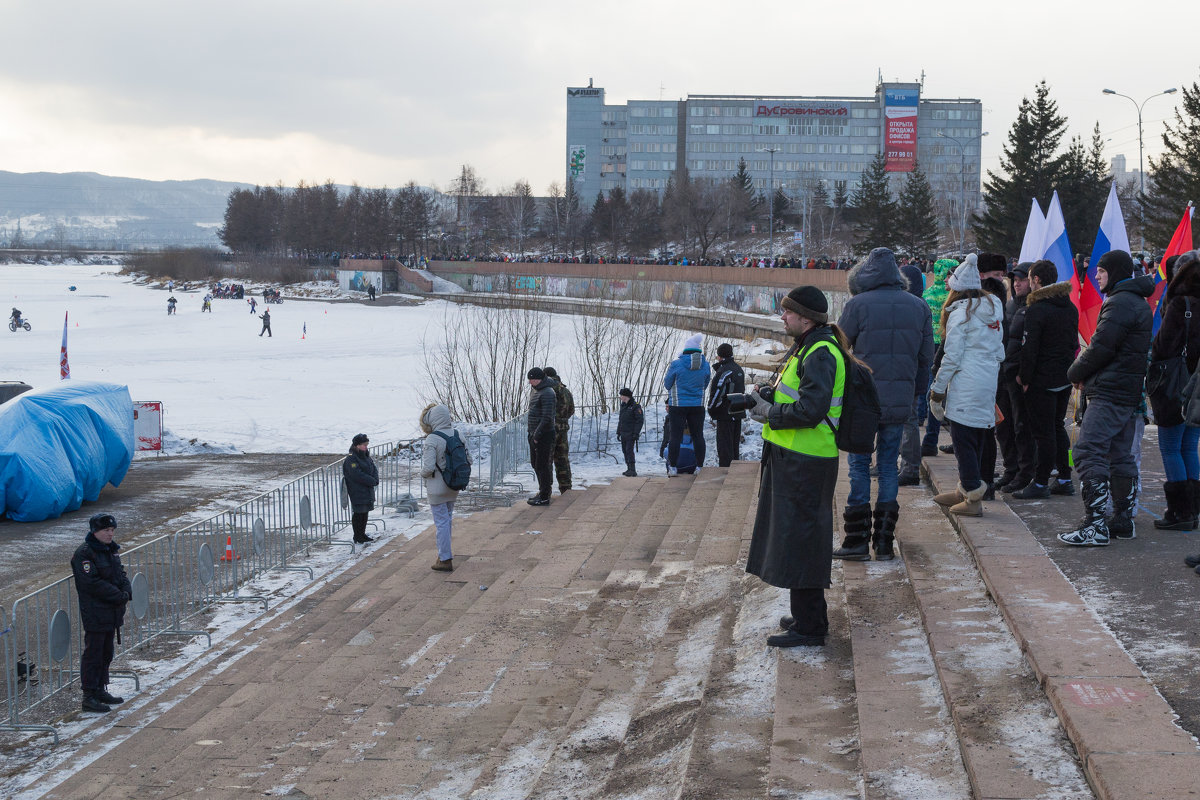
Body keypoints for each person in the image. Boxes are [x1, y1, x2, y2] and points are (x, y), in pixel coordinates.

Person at [745, 286, 847, 648]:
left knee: (802, 540)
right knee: (794, 538)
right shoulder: (808, 346)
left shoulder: (820, 351)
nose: (782, 317)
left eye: (788, 312)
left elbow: (811, 411)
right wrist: (763, 396)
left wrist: (767, 413)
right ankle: (807, 615)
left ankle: (811, 627)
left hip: (807, 460)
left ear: (806, 317)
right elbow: (798, 397)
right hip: (795, 458)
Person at [835, 247, 933, 561]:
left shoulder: (856, 305)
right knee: (889, 468)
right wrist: (916, 393)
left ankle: (856, 542)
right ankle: (884, 544)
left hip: (862, 401)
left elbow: (840, 350)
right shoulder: (919, 306)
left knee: (859, 467)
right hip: (900, 399)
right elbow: (925, 357)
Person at [1058, 250, 1154, 546]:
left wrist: (1074, 371)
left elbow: (1101, 347)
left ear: (1114, 272)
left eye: (1100, 271)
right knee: (1119, 456)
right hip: (1126, 393)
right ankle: (1122, 520)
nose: (1095, 275)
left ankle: (1095, 525)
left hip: (1111, 392)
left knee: (1088, 452)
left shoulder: (1121, 302)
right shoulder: (1135, 300)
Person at [929, 255, 1005, 517]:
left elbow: (951, 356)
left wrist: (938, 388)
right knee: (979, 433)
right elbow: (999, 350)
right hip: (987, 378)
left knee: (963, 438)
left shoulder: (961, 313)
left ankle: (973, 495)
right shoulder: (992, 309)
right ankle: (965, 489)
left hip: (967, 380)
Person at [1012, 260, 1079, 498]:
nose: (1028, 283)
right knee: (1057, 426)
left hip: (1041, 380)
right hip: (1063, 376)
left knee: (1043, 433)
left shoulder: (1037, 308)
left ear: (1036, 280)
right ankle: (1063, 477)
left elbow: (1030, 348)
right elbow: (1073, 344)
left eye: (1029, 278)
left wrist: (1024, 377)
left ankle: (1040, 483)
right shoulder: (1069, 306)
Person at [1149, 250, 1200, 529]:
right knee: (1190, 447)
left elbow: (1164, 346)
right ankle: (1193, 510)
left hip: (1176, 384)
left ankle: (1181, 513)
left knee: (1170, 447)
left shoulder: (1180, 303)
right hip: (1198, 384)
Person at [70, 513, 132, 713]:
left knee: (106, 653)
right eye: (106, 530)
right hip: (96, 612)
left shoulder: (110, 550)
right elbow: (92, 583)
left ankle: (100, 687)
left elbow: (119, 573)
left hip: (112, 611)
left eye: (112, 530)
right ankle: (89, 694)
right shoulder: (85, 554)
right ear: (95, 531)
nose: (110, 534)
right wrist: (118, 595)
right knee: (93, 653)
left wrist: (127, 589)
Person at [996, 263, 1038, 494]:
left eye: (1021, 279)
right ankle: (1010, 469)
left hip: (1021, 378)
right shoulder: (1010, 305)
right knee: (1003, 425)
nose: (1017, 283)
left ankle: (1025, 472)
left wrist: (1024, 374)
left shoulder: (1035, 308)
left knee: (1022, 426)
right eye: (1014, 280)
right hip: (1004, 373)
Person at [420, 403, 470, 571]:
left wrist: (422, 475)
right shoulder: (458, 434)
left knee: (441, 523)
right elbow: (468, 460)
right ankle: (444, 553)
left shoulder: (432, 438)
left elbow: (428, 468)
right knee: (447, 520)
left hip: (437, 488)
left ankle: (445, 558)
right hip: (454, 485)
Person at [921, 259, 957, 456]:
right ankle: (954, 439)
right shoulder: (955, 298)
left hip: (934, 345)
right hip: (948, 345)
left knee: (933, 390)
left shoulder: (927, 294)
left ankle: (930, 440)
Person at [663, 333, 711, 475]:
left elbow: (667, 384)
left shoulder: (676, 364)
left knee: (675, 436)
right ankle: (699, 467)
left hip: (677, 405)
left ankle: (673, 467)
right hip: (697, 405)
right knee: (698, 436)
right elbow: (706, 383)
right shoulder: (706, 365)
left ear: (685, 350)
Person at [708, 343, 746, 467]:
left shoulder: (724, 371)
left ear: (719, 356)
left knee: (724, 448)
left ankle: (725, 476)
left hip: (725, 414)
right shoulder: (738, 369)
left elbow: (718, 393)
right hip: (738, 411)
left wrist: (711, 409)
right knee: (734, 447)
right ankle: (734, 475)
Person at [526, 367, 557, 505]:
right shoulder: (537, 390)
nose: (530, 383)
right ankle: (542, 491)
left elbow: (547, 417)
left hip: (544, 434)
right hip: (534, 433)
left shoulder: (548, 392)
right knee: (535, 464)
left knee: (542, 465)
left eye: (531, 380)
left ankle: (545, 496)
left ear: (538, 379)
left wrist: (537, 435)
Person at [543, 367, 575, 492]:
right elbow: (571, 410)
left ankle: (546, 490)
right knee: (563, 459)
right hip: (563, 429)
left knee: (546, 460)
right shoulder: (565, 391)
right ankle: (566, 488)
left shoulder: (547, 390)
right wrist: (562, 419)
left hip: (549, 429)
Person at [343, 433, 378, 544]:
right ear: (357, 445)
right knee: (359, 513)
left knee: (365, 512)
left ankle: (362, 534)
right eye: (364, 445)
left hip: (367, 489)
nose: (366, 447)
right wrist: (371, 480)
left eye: (366, 445)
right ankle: (357, 535)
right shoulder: (351, 458)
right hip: (357, 490)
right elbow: (356, 474)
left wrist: (375, 478)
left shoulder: (365, 455)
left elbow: (373, 467)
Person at [617, 387, 644, 476]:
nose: (620, 397)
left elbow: (639, 420)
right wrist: (618, 432)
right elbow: (621, 420)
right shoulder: (623, 405)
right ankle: (628, 468)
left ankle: (633, 469)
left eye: (621, 395)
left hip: (631, 433)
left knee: (629, 450)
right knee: (625, 450)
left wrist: (636, 433)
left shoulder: (635, 406)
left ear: (626, 396)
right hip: (624, 432)